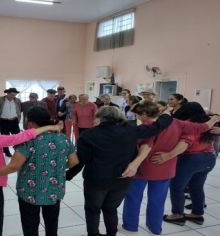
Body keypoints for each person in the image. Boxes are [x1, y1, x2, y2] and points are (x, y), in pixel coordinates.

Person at [0, 107, 79, 236]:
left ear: (30, 122)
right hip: (54, 191)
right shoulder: (63, 138)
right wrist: (55, 167)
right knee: (52, 225)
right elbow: (74, 162)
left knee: (30, 227)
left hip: (30, 192)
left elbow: (13, 166)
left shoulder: (27, 141)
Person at [66, 106, 174, 236]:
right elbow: (156, 127)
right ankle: (112, 234)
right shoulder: (131, 130)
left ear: (100, 118)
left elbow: (81, 160)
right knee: (111, 209)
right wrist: (166, 115)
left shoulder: (88, 135)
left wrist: (67, 175)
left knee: (92, 210)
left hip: (96, 180)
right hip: (122, 179)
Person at [121, 101, 219, 235]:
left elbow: (142, 146)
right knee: (158, 200)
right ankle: (155, 228)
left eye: (137, 115)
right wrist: (214, 118)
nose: (136, 117)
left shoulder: (145, 127)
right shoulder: (178, 123)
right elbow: (203, 127)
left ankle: (130, 227)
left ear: (144, 114)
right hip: (165, 168)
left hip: (142, 168)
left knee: (133, 198)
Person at [160, 102, 218, 226]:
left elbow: (186, 142)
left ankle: (177, 215)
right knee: (196, 186)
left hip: (191, 159)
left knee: (177, 187)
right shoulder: (209, 122)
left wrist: (168, 155)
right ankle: (197, 214)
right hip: (210, 158)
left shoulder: (191, 125)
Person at [0, 88, 22, 157]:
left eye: (14, 95)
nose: (13, 96)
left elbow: (19, 109)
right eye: (11, 95)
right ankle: (6, 151)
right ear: (7, 93)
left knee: (17, 137)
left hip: (14, 121)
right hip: (4, 121)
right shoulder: (0, 100)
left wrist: (18, 118)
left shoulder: (17, 100)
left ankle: (19, 150)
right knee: (5, 137)